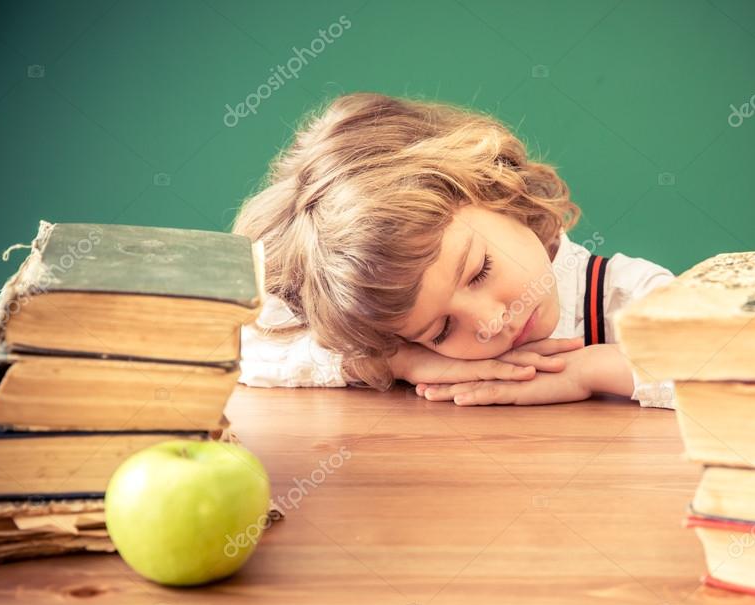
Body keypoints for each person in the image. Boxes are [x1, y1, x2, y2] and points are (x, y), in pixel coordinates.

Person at [232, 92, 675, 408]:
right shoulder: (398, 344)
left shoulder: (625, 295)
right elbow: (239, 345)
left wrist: (590, 371)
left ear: (496, 188)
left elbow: (736, 366)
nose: (491, 322)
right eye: (441, 330)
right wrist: (400, 361)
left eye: (479, 271)